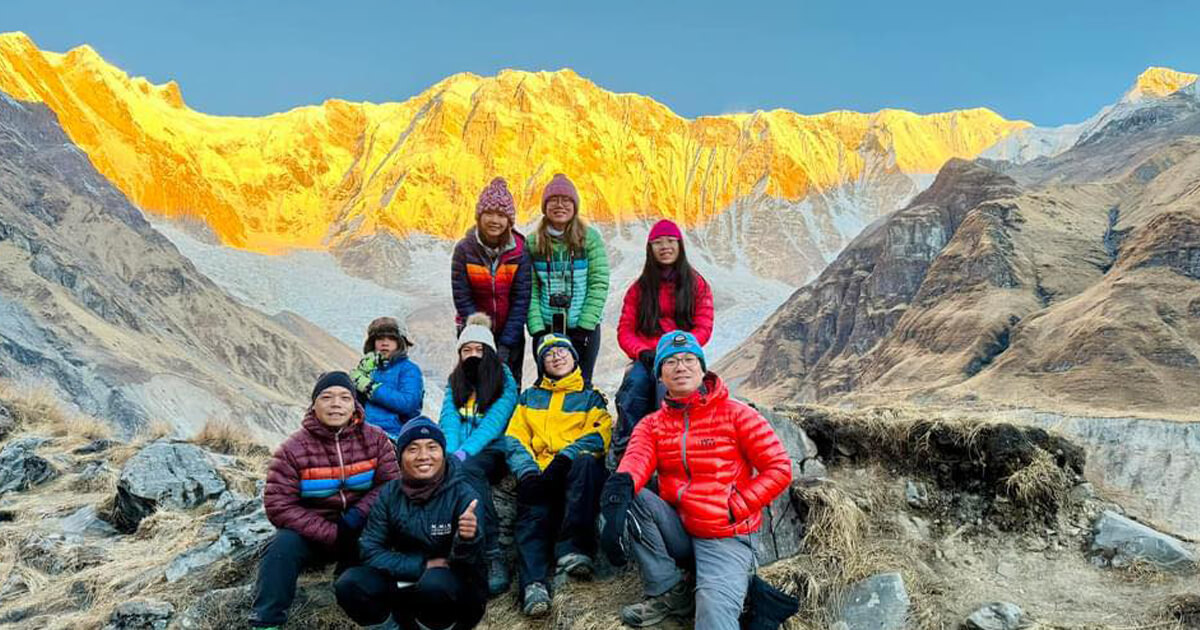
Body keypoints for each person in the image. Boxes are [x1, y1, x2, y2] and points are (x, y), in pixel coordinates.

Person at [598, 331, 793, 630]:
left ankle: (721, 596)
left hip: (723, 535)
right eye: (671, 361)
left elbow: (779, 467)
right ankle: (670, 592)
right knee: (628, 491)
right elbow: (634, 461)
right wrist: (614, 505)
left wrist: (735, 507)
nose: (681, 366)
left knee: (714, 618)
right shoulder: (652, 425)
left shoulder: (737, 414)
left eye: (689, 359)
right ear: (659, 376)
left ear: (702, 369)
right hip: (679, 529)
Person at [250, 372, 401, 629]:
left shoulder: (375, 439)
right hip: (315, 535)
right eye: (327, 397)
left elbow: (391, 483)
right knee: (281, 547)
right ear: (314, 404)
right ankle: (267, 622)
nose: (336, 404)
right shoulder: (292, 449)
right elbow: (279, 505)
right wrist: (330, 532)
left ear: (355, 404)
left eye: (344, 397)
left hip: (364, 529)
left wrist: (356, 517)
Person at [335, 417, 487, 630]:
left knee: (434, 585)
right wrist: (420, 566)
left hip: (451, 594)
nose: (423, 456)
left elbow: (470, 565)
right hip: (405, 581)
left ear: (443, 454)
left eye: (432, 447)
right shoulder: (390, 493)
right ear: (400, 457)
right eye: (413, 449)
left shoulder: (464, 494)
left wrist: (467, 539)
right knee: (350, 584)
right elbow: (370, 550)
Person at [503, 335, 613, 617]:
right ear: (542, 364)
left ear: (575, 357)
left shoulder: (590, 397)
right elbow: (514, 437)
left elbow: (599, 433)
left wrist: (565, 458)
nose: (556, 356)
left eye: (562, 350)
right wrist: (526, 471)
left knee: (587, 465)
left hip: (572, 469)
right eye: (548, 353)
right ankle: (534, 584)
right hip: (539, 469)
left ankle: (575, 550)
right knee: (532, 513)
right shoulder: (528, 396)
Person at [612, 219, 714, 465]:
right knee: (634, 386)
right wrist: (642, 352)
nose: (664, 247)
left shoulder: (696, 284)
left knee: (667, 391)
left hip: (680, 355)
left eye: (670, 241)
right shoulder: (639, 289)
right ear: (650, 249)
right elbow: (625, 330)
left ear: (679, 245)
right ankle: (626, 451)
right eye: (658, 243)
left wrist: (683, 348)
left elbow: (704, 325)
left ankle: (671, 451)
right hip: (646, 356)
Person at [440, 312, 519, 595]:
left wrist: (463, 454)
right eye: (466, 350)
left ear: (490, 352)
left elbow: (494, 424)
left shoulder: (505, 380)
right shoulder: (455, 381)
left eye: (479, 349)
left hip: (491, 451)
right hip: (459, 452)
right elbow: (448, 418)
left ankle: (492, 551)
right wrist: (450, 453)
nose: (473, 355)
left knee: (466, 470)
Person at [526, 173, 610, 384]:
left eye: (566, 200)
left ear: (575, 206)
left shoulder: (590, 239)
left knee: (583, 385)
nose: (560, 205)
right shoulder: (533, 243)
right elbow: (530, 288)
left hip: (583, 327)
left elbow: (598, 283)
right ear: (545, 206)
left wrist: (585, 325)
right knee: (547, 386)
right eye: (553, 200)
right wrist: (537, 329)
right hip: (547, 326)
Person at [451, 177, 533, 382]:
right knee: (475, 385)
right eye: (489, 213)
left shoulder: (519, 252)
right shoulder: (464, 250)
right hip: (473, 330)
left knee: (509, 385)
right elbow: (462, 296)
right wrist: (480, 335)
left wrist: (505, 343)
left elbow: (521, 299)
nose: (495, 220)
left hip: (510, 331)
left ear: (509, 221)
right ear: (479, 216)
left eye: (501, 215)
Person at [349, 316, 424, 440]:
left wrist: (370, 387)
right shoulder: (366, 369)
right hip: (361, 437)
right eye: (379, 338)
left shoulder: (409, 369)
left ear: (401, 342)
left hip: (394, 436)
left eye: (391, 338)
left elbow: (409, 404)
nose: (385, 343)